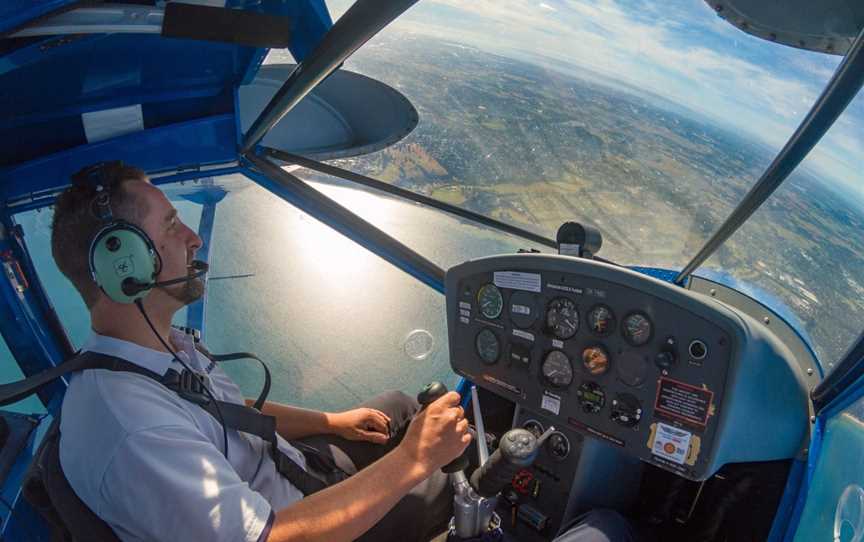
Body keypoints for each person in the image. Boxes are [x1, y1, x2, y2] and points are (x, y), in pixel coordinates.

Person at [51, 162, 472, 542]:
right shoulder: (132, 431)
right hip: (304, 527)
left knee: (400, 406)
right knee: (457, 482)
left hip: (291, 469)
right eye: (171, 225)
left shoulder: (154, 352)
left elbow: (225, 410)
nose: (194, 239)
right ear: (123, 264)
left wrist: (332, 421)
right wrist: (415, 460)